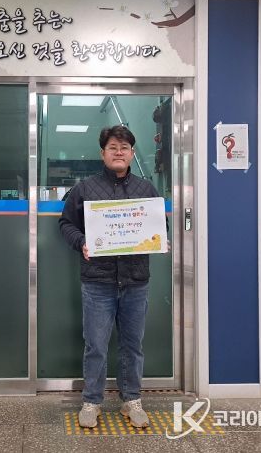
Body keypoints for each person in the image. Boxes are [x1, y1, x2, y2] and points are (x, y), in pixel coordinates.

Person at [59, 125, 161, 429]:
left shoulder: (146, 189)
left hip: (135, 281)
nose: (119, 152)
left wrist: (158, 237)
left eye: (124, 148)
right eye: (113, 147)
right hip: (97, 282)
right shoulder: (84, 189)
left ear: (131, 153)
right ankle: (92, 401)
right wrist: (81, 242)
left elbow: (159, 227)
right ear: (102, 153)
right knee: (96, 346)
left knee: (133, 345)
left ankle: (132, 400)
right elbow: (66, 224)